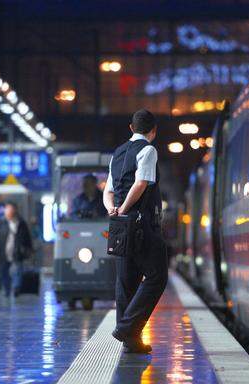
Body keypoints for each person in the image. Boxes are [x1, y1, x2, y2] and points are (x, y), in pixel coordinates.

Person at [103, 109, 168, 354]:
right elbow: (142, 183)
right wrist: (125, 207)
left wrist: (113, 209)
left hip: (119, 224)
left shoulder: (117, 153)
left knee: (126, 281)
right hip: (141, 224)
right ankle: (126, 328)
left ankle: (131, 341)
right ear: (153, 130)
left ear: (131, 128)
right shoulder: (148, 150)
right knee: (157, 276)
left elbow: (108, 190)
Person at [0, 201, 33, 297]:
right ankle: (7, 289)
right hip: (3, 251)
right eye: (7, 209)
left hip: (17, 250)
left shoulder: (20, 223)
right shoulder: (0, 222)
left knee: (18, 269)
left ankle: (16, 288)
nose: (9, 211)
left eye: (11, 209)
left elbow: (27, 237)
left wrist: (29, 249)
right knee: (4, 271)